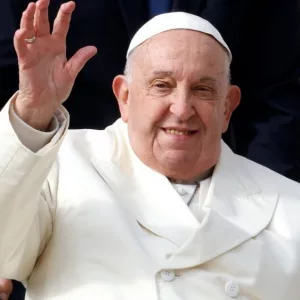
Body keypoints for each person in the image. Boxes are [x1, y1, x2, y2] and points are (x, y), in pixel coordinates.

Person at [0, 1, 300, 300]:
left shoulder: (289, 206)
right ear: (125, 97)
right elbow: (4, 249)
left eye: (203, 89)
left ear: (227, 107)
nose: (182, 110)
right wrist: (32, 111)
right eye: (161, 85)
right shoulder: (59, 164)